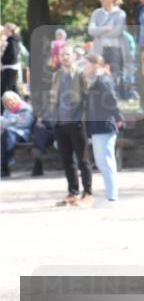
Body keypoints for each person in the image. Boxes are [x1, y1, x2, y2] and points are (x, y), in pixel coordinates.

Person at [48, 45, 92, 206]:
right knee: (67, 160)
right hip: (61, 123)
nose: (65, 57)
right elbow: (53, 98)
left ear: (73, 56)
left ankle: (87, 193)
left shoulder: (80, 74)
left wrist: (82, 118)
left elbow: (87, 97)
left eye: (67, 54)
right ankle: (73, 192)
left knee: (83, 160)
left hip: (77, 122)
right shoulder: (57, 74)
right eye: (62, 55)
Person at [83, 54, 123, 205]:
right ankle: (110, 195)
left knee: (106, 162)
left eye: (86, 64)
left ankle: (112, 198)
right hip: (97, 126)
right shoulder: (94, 81)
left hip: (104, 125)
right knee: (101, 162)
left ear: (95, 66)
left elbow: (112, 100)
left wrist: (119, 118)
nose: (84, 68)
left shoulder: (103, 80)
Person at [87, 0, 127, 96]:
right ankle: (100, 95)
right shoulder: (96, 13)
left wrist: (99, 32)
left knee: (116, 74)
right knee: (98, 71)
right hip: (100, 48)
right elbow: (91, 30)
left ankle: (114, 96)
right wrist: (106, 28)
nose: (101, 0)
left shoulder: (120, 13)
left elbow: (117, 32)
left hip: (115, 48)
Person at [1, 91, 33, 176]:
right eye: (6, 103)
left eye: (11, 101)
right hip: (8, 134)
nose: (9, 104)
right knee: (6, 135)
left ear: (16, 99)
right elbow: (3, 122)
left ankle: (5, 166)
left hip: (22, 134)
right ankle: (6, 165)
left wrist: (9, 122)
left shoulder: (26, 108)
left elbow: (25, 123)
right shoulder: (7, 110)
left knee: (7, 135)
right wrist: (15, 120)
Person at [1, 23, 21, 98]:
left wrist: (3, 61)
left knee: (5, 89)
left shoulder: (12, 40)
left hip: (10, 67)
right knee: (13, 88)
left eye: (5, 29)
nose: (4, 30)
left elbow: (13, 54)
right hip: (10, 67)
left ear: (9, 29)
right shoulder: (11, 39)